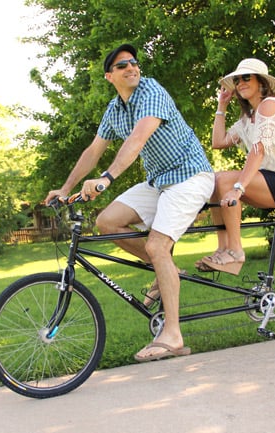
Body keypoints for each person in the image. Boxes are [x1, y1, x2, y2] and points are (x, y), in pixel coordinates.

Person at [44, 44, 215, 362]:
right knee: (106, 222)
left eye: (134, 62)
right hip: (159, 180)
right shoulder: (114, 109)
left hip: (190, 176)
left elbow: (137, 140)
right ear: (110, 76)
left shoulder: (152, 91)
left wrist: (106, 179)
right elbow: (94, 150)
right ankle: (167, 270)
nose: (132, 67)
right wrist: (65, 188)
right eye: (123, 65)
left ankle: (173, 335)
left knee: (156, 246)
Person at [195, 58, 275, 275]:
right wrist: (221, 105)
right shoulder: (247, 118)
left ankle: (236, 252)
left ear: (261, 82)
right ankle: (223, 249)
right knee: (215, 181)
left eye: (246, 77)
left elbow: (258, 151)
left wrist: (238, 188)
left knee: (224, 180)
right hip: (269, 179)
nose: (240, 82)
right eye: (237, 80)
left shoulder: (270, 106)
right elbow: (218, 142)